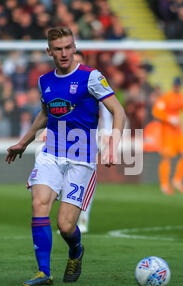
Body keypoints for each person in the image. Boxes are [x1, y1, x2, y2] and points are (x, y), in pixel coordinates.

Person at [5, 26, 126, 286]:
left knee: (66, 226)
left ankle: (75, 251)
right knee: (39, 203)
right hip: (50, 154)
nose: (64, 53)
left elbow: (118, 111)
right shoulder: (44, 81)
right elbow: (46, 114)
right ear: (49, 51)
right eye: (58, 49)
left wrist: (112, 145)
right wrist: (23, 143)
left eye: (68, 47)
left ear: (74, 48)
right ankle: (43, 272)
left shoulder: (91, 77)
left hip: (81, 159)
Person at [74, 50, 113, 234]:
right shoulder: (59, 81)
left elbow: (107, 106)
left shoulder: (92, 79)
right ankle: (70, 218)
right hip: (64, 138)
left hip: (88, 136)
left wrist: (107, 131)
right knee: (66, 182)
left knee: (86, 178)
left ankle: (82, 219)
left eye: (78, 61)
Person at [152, 77, 183, 195]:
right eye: (176, 85)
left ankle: (177, 180)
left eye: (178, 85)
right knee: (166, 157)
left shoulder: (181, 96)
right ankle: (164, 185)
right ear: (173, 85)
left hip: (178, 131)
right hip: (168, 133)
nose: (177, 87)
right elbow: (156, 111)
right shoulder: (166, 98)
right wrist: (169, 118)